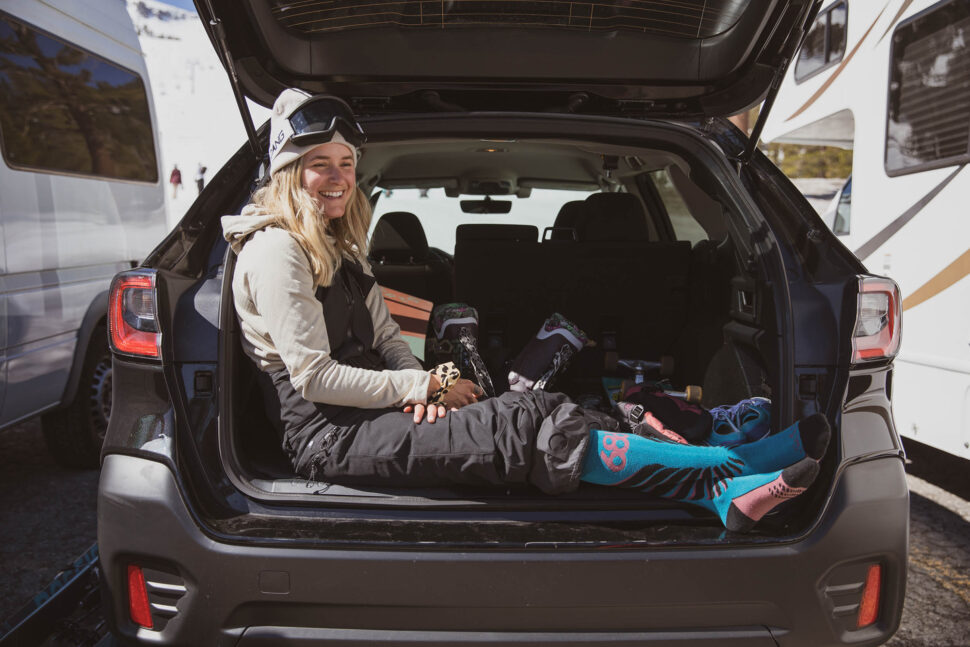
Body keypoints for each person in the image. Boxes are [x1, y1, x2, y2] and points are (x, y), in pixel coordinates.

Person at [221, 89, 829, 533]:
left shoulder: (341, 250)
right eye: (318, 163)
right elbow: (314, 379)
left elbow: (387, 339)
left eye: (346, 162)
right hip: (328, 435)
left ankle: (739, 467)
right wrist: (424, 382)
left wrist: (431, 386)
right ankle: (720, 481)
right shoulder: (277, 249)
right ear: (287, 170)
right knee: (525, 425)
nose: (337, 177)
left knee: (544, 408)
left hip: (371, 410)